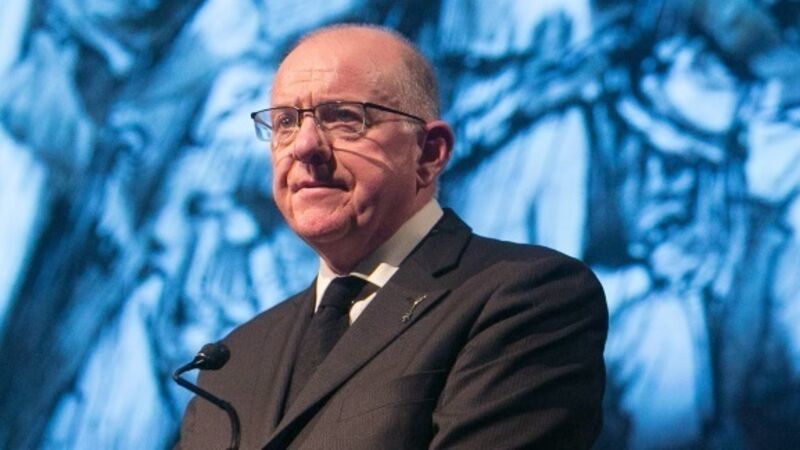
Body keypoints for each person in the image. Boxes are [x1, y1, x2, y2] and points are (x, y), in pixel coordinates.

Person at [178, 24, 608, 449]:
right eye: (285, 122)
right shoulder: (233, 360)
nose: (304, 146)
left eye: (343, 117)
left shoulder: (527, 297)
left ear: (429, 153)